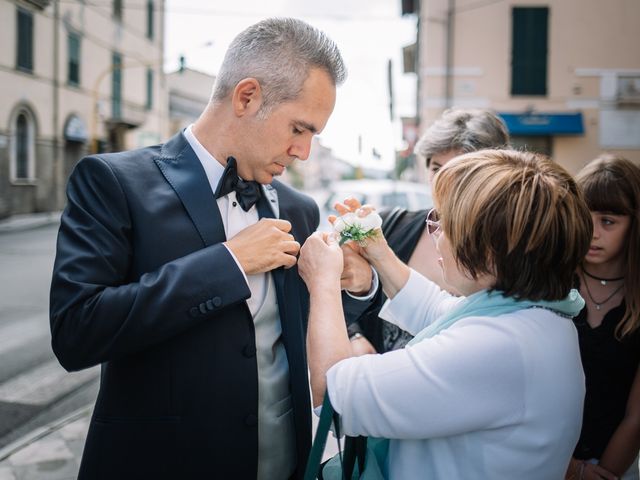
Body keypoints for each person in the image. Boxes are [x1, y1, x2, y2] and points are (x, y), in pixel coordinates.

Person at [49, 18, 346, 480]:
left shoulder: (300, 209)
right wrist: (229, 262)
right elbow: (76, 331)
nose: (303, 152)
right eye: (299, 129)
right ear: (246, 97)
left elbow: (307, 334)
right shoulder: (113, 183)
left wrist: (358, 285)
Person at [299, 149, 592, 479]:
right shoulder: (535, 314)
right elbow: (436, 311)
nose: (435, 232)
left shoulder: (499, 347)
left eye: (447, 224)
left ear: (491, 254)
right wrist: (378, 250)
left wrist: (322, 280)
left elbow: (335, 391)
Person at [342, 108, 510, 355]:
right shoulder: (391, 226)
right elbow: (347, 298)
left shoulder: (511, 248)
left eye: (460, 171)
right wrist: (354, 336)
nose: (444, 181)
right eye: (436, 167)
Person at [565, 155, 640, 480]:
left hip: (613, 464)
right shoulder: (550, 281)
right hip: (541, 458)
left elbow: (636, 417)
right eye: (585, 216)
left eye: (608, 221)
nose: (592, 232)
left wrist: (602, 473)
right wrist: (570, 469)